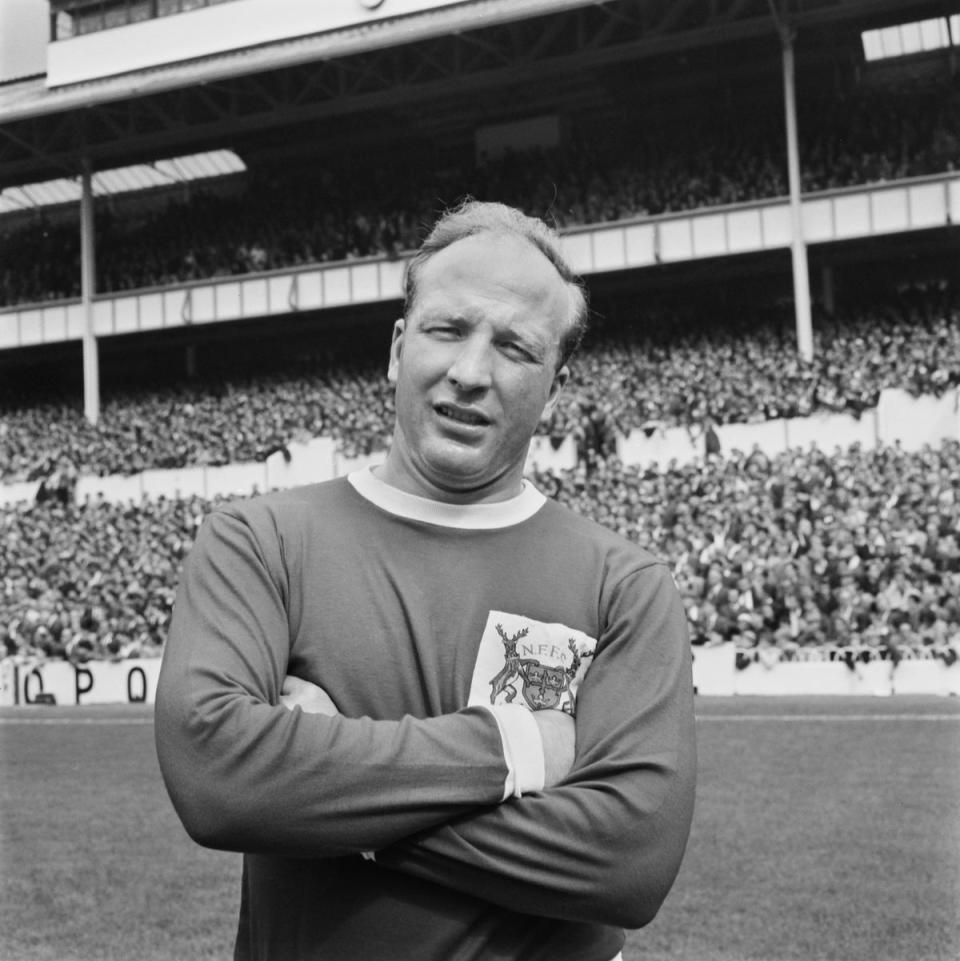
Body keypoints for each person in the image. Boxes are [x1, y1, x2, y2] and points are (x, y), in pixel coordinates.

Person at [155, 200, 696, 961]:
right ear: (398, 348)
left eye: (514, 346)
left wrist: (330, 791)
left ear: (556, 388)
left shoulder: (626, 586)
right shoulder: (259, 540)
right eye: (448, 330)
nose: (471, 372)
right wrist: (520, 749)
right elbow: (218, 777)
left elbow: (628, 865)